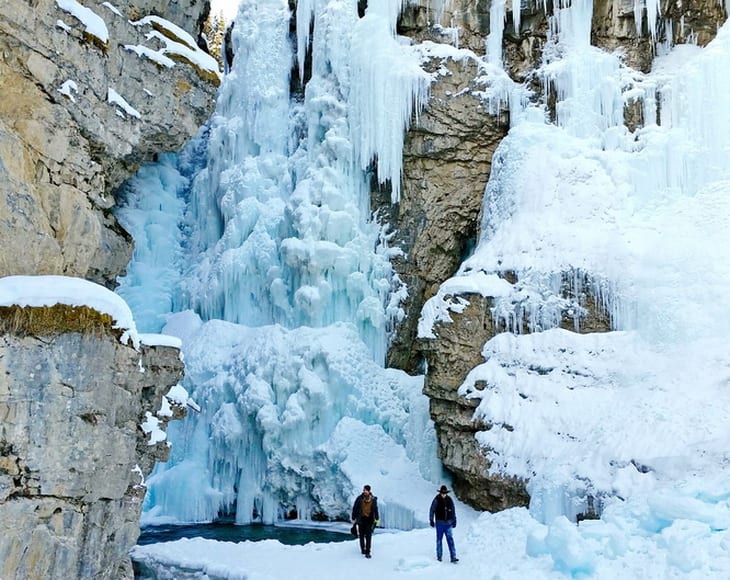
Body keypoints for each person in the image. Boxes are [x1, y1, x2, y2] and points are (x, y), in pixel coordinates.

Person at [429, 484, 458, 563]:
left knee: (450, 539)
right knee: (439, 540)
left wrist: (454, 520)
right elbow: (432, 510)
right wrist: (431, 520)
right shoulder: (436, 500)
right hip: (439, 524)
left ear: (446, 493)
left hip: (448, 523)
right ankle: (439, 556)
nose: (443, 494)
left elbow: (453, 511)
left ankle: (453, 556)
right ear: (440, 493)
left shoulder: (449, 500)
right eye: (442, 493)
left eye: (444, 493)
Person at [351, 484, 379, 558]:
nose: (364, 491)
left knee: (368, 536)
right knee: (361, 536)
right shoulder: (359, 498)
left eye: (366, 490)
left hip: (369, 520)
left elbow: (375, 509)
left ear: (369, 491)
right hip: (361, 520)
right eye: (364, 490)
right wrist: (353, 517)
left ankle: (368, 551)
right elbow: (355, 508)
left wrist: (377, 518)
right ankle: (363, 549)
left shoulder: (373, 500)